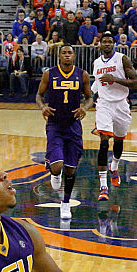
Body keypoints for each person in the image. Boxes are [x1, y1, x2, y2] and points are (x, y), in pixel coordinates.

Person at [37, 45, 94, 220]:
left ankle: (66, 203)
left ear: (74, 56)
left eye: (70, 53)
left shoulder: (82, 74)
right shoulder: (49, 74)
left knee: (70, 170)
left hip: (73, 125)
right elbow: (39, 95)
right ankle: (54, 172)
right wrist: (43, 106)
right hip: (55, 124)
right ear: (59, 56)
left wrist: (84, 108)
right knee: (58, 166)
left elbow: (90, 97)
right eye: (64, 53)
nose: (67, 55)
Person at [92, 32, 137, 201]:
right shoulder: (96, 62)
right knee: (104, 142)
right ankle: (103, 187)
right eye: (104, 42)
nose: (107, 44)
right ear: (100, 44)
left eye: (110, 42)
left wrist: (115, 79)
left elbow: (136, 83)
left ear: (114, 44)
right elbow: (97, 82)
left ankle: (115, 166)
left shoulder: (122, 59)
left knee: (119, 141)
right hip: (103, 104)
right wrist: (89, 96)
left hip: (121, 104)